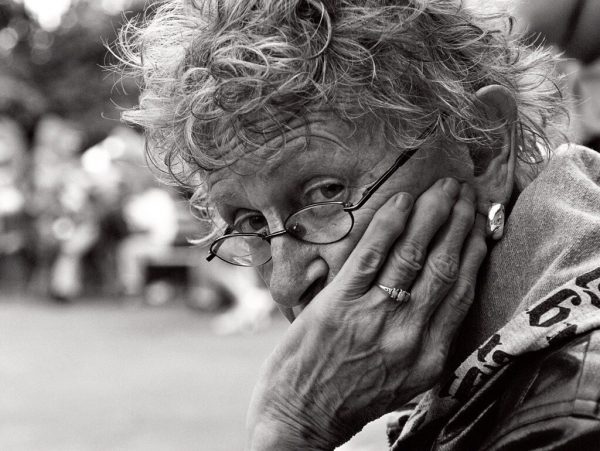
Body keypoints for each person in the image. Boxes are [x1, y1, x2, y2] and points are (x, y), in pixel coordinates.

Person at [118, 0, 600, 449]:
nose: (286, 284)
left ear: (482, 145)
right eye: (249, 223)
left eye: (325, 193)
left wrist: (291, 427)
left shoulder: (568, 407)